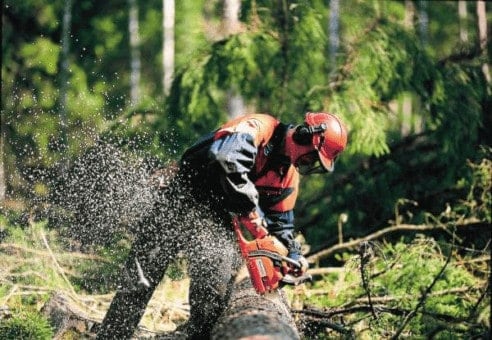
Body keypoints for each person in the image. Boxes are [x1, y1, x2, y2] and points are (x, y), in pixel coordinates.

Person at [97, 112, 348, 339]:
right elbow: (225, 158)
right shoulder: (259, 128)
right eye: (311, 157)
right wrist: (249, 209)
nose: (308, 163)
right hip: (183, 196)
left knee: (213, 296)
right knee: (141, 277)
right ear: (304, 135)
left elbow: (282, 223)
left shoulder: (287, 176)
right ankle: (111, 336)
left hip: (221, 221)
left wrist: (292, 255)